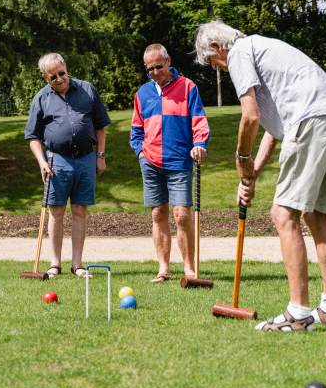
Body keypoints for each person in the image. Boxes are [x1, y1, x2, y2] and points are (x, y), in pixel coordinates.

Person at [194, 20, 326, 331]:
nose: (219, 69)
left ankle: (298, 314)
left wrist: (241, 157)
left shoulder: (238, 53)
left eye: (213, 63)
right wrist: (250, 176)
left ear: (217, 48)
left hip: (312, 117)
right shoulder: (261, 49)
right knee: (316, 215)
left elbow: (250, 116)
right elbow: (271, 130)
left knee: (282, 213)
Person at [25, 53, 110, 278]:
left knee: (80, 210)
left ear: (66, 67)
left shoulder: (87, 90)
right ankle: (55, 264)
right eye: (53, 77)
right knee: (56, 211)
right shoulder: (41, 98)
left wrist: (100, 156)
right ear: (45, 77)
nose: (60, 79)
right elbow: (32, 136)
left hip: (85, 159)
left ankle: (77, 264)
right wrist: (42, 161)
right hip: (56, 160)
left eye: (62, 73)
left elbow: (100, 126)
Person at [130, 43, 210, 282]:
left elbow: (199, 120)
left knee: (182, 214)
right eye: (150, 68)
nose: (155, 71)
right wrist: (140, 152)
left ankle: (189, 268)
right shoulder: (142, 93)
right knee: (158, 213)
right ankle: (163, 268)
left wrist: (200, 144)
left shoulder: (187, 87)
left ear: (168, 61)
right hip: (151, 160)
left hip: (179, 161)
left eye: (159, 66)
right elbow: (136, 130)